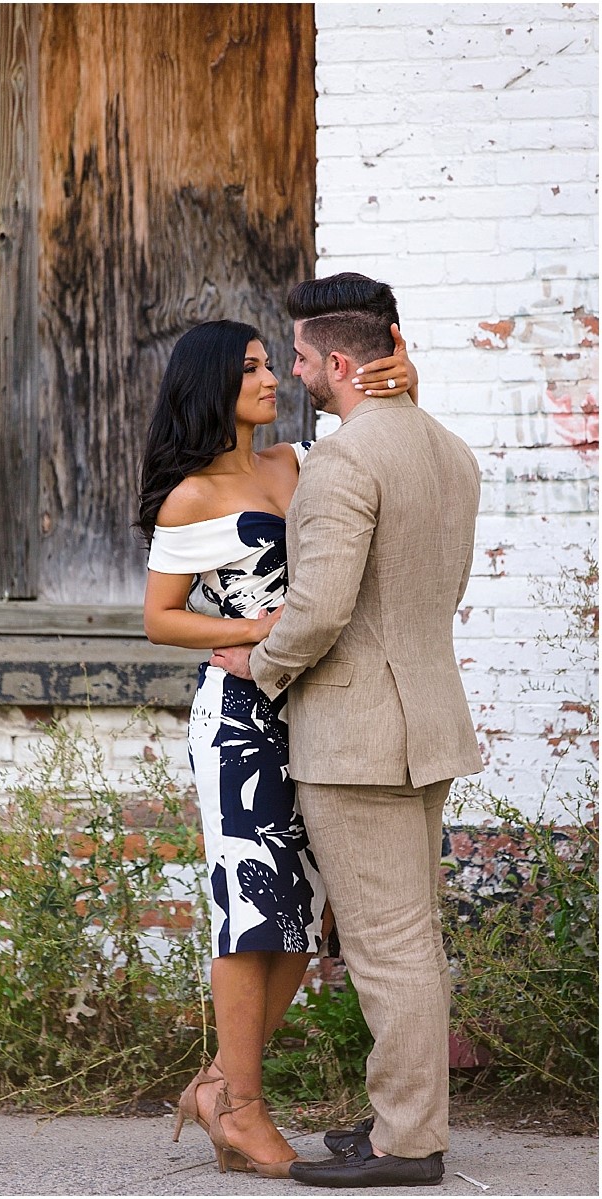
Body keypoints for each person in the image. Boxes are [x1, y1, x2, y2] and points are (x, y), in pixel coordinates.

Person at [210, 274, 481, 1189]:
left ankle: (409, 1145)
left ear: (337, 361)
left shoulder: (342, 460)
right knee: (413, 937)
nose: (292, 373)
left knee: (386, 947)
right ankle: (401, 1120)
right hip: (427, 721)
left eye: (298, 357)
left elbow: (320, 607)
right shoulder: (450, 452)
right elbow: (439, 591)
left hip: (359, 734)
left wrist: (263, 664)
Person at [139, 316, 418, 1177]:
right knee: (250, 909)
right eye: (254, 368)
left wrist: (403, 377)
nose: (271, 378)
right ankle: (244, 1107)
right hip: (237, 721)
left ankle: (221, 1082)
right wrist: (256, 626)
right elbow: (159, 618)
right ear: (215, 384)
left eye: (273, 363)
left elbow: (381, 439)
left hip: (314, 709)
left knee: (304, 907)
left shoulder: (302, 459)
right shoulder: (191, 496)